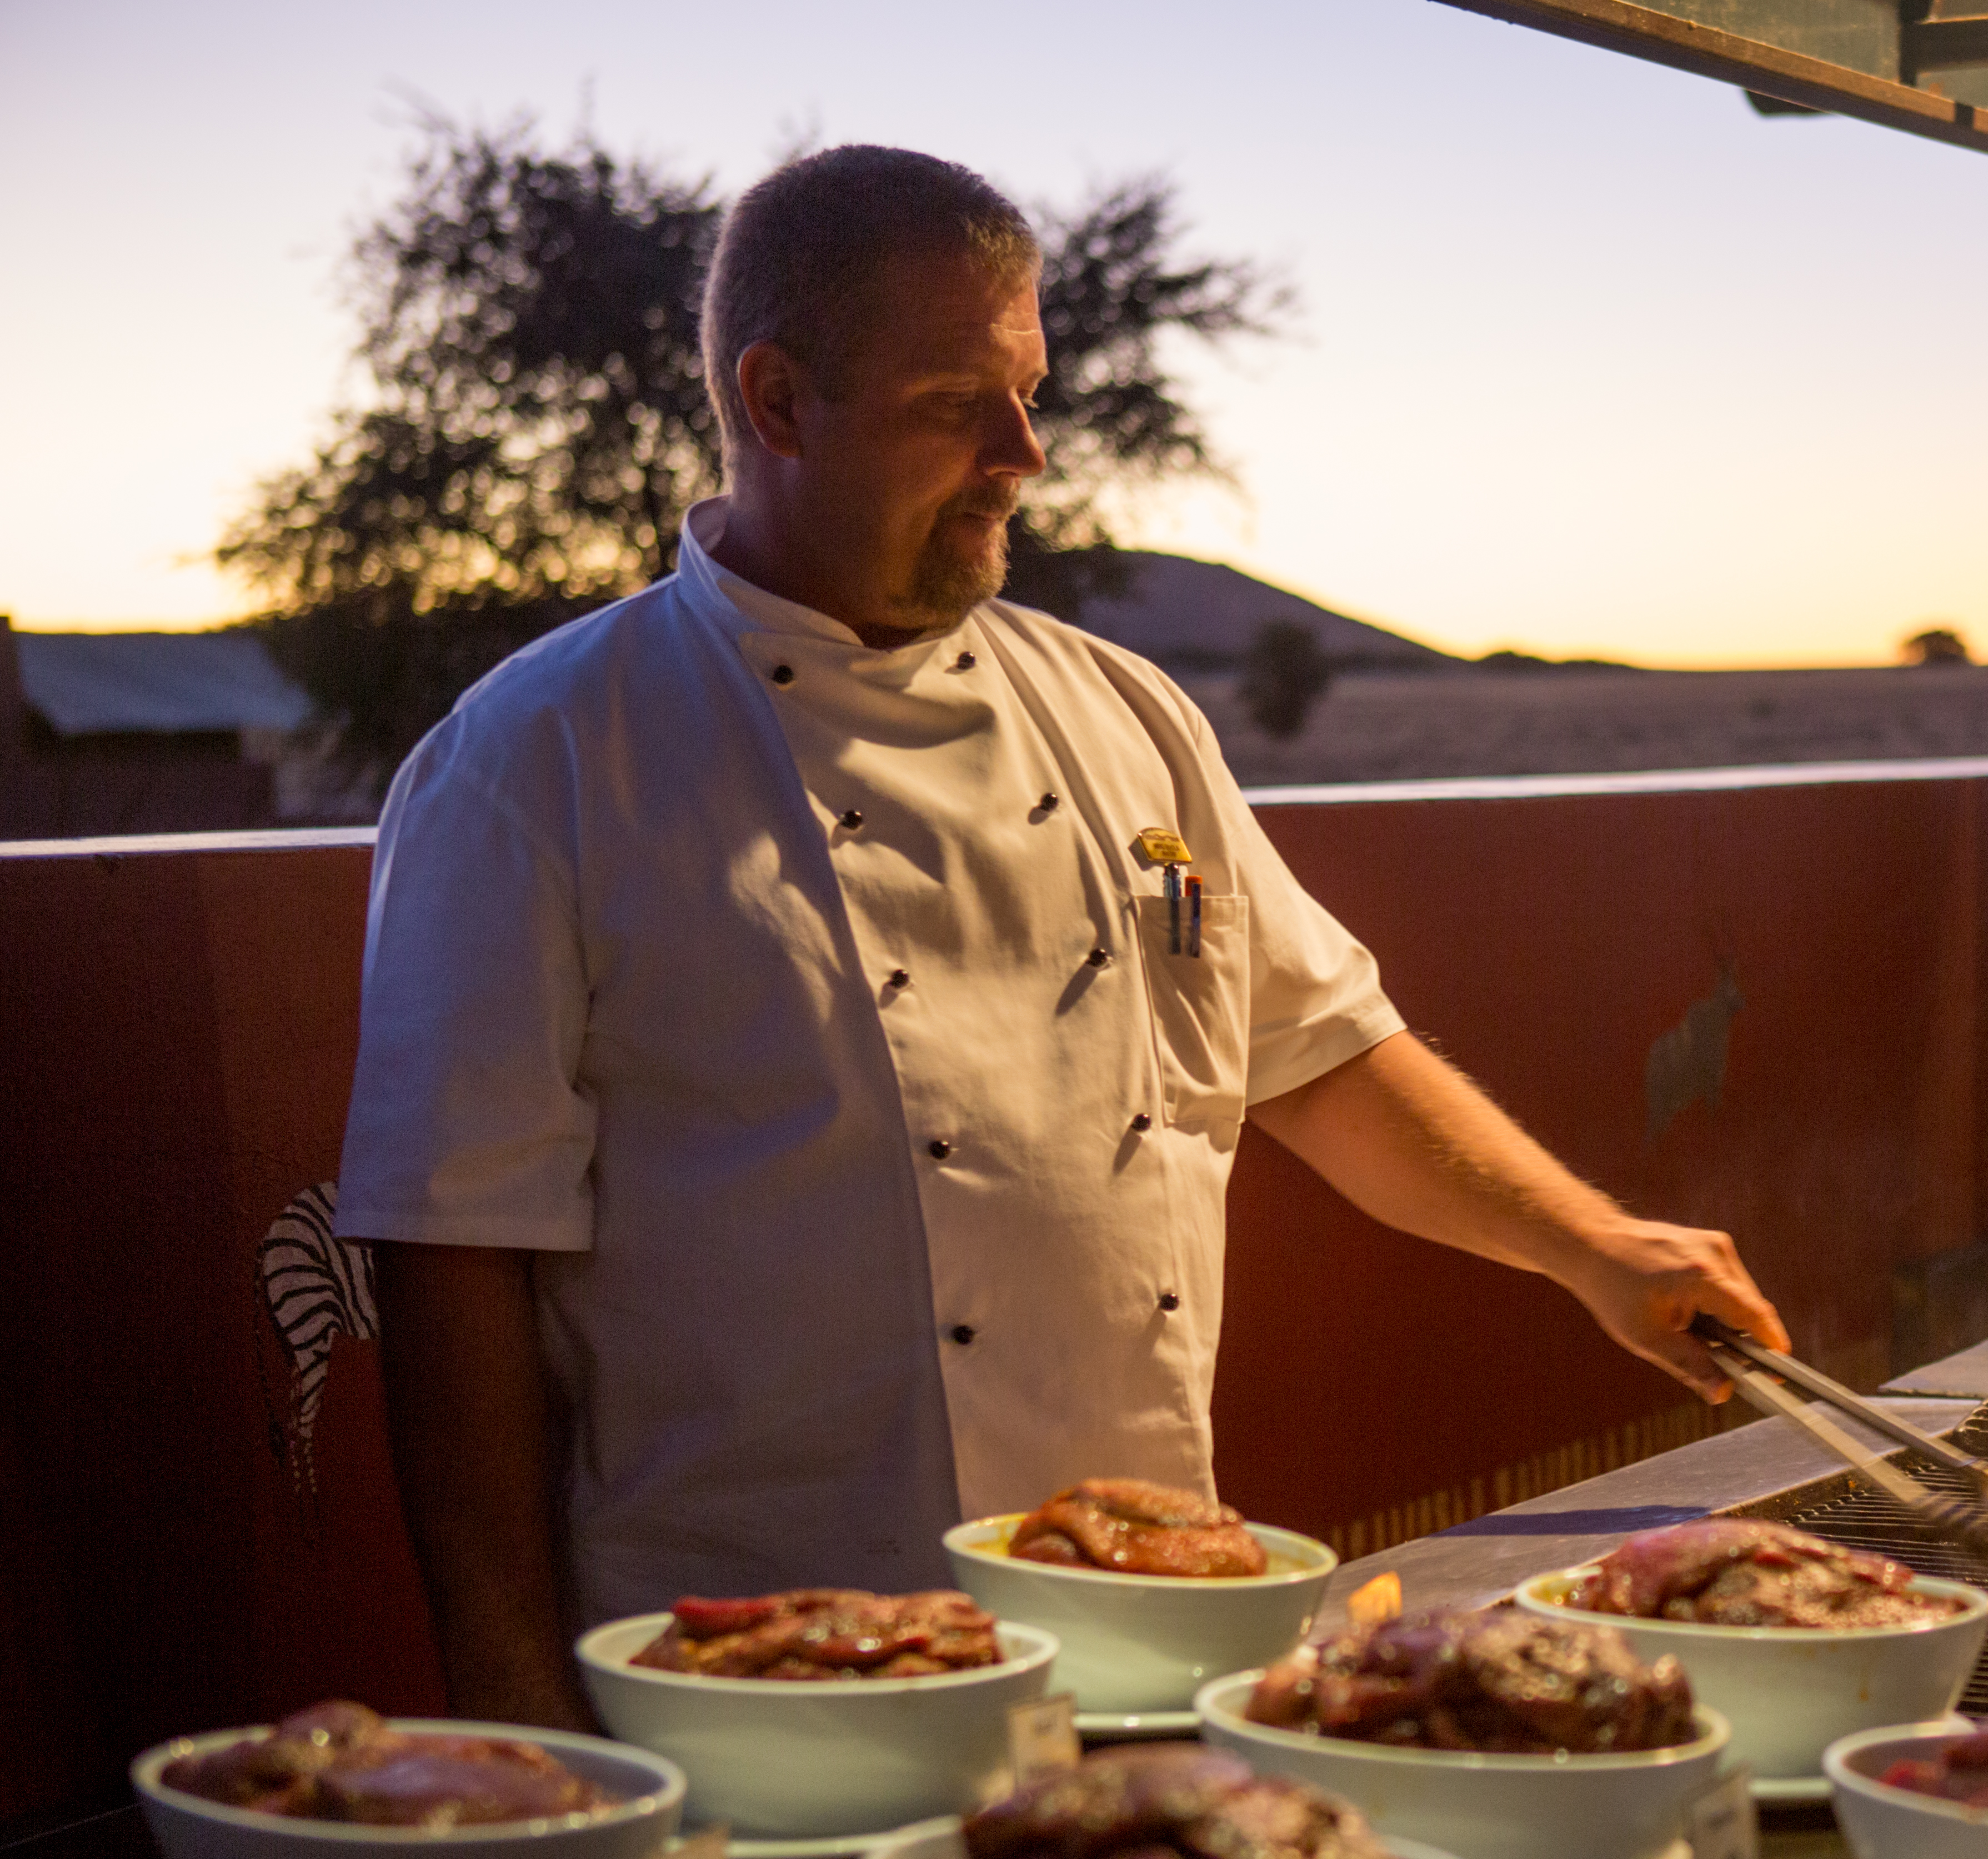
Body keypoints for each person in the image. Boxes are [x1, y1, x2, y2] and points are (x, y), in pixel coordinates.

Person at [337, 146, 1787, 1729]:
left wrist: (1594, 1248)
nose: (1023, 452)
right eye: (959, 400)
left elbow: (1318, 1057)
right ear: (776, 401)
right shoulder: (539, 761)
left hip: (1153, 1631)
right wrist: (514, 1711)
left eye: (1031, 392)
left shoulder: (1127, 720)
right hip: (767, 1679)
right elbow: (452, 1267)